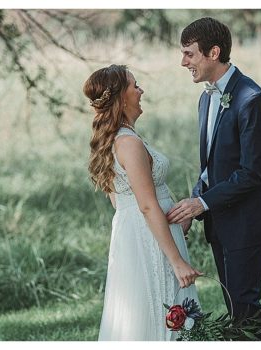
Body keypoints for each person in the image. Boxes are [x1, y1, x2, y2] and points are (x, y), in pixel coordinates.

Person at [167, 17, 261, 341]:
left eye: (189, 54)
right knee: (236, 307)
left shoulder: (250, 99)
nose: (183, 62)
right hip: (220, 221)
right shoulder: (206, 98)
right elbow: (209, 168)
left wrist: (200, 203)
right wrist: (193, 205)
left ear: (213, 52)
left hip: (246, 221)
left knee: (246, 305)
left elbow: (252, 174)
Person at [86, 64, 202, 341]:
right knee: (158, 312)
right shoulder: (128, 143)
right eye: (135, 86)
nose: (141, 90)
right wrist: (176, 261)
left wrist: (175, 221)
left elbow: (122, 203)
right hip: (150, 242)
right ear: (121, 97)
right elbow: (146, 206)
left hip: (138, 236)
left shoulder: (117, 141)